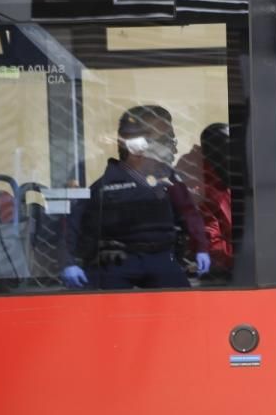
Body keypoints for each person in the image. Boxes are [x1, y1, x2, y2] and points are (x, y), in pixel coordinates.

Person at [61, 105, 211, 290]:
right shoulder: (105, 184)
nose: (172, 146)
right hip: (117, 262)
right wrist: (69, 262)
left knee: (180, 305)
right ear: (137, 144)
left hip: (162, 258)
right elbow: (74, 222)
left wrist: (202, 248)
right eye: (164, 139)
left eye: (169, 139)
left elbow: (189, 213)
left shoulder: (167, 178)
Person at [176, 123, 234, 276]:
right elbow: (211, 243)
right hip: (219, 271)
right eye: (228, 150)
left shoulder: (227, 178)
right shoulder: (198, 188)